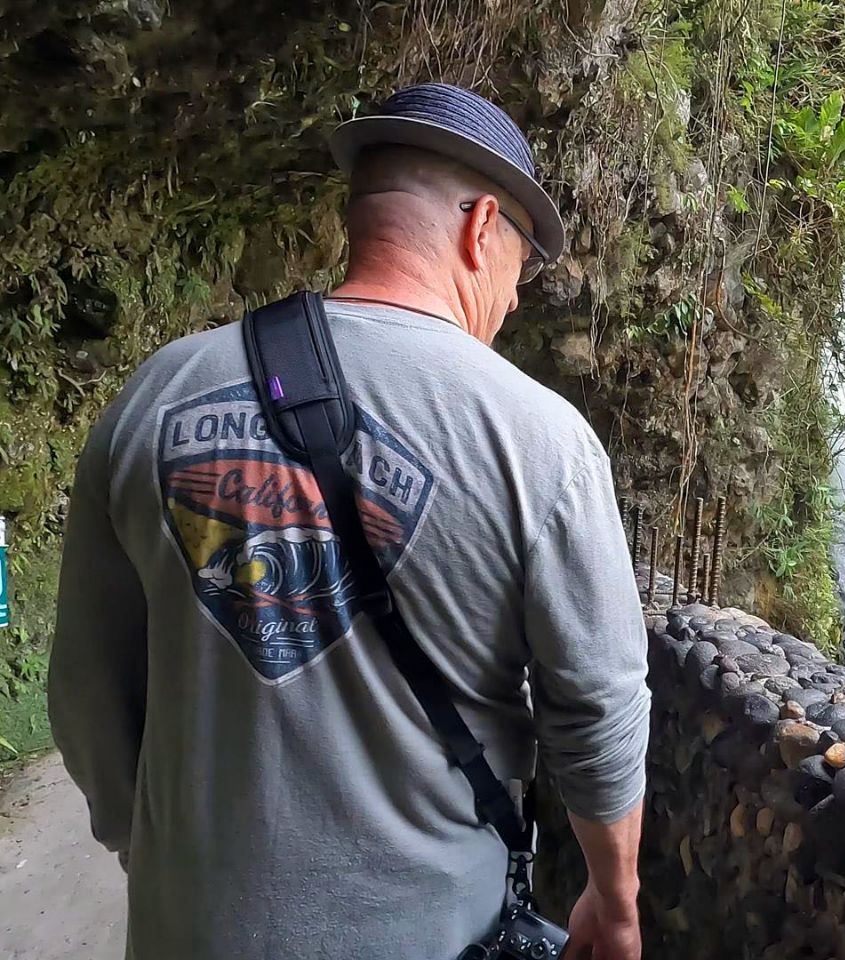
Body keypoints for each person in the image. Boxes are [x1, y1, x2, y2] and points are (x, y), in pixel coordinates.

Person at [49, 83, 650, 960]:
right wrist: (615, 898)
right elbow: (596, 707)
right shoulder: (541, 441)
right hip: (427, 933)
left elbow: (87, 690)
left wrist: (151, 854)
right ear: (481, 227)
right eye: (520, 264)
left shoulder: (155, 393)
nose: (516, 299)